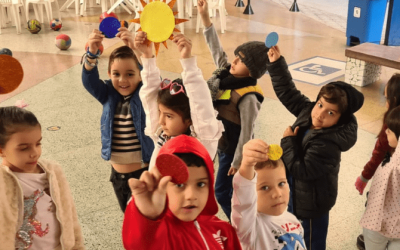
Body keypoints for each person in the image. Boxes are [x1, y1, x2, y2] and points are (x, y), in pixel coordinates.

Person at [266, 45, 364, 250]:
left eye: (330, 113)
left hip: (311, 205)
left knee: (311, 242)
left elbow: (302, 170)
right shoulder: (308, 111)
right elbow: (288, 93)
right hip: (294, 194)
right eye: (320, 105)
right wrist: (276, 64)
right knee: (292, 236)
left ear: (339, 120)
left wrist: (287, 142)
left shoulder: (328, 144)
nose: (319, 114)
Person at [197, 0, 269, 220]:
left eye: (242, 59)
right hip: (221, 141)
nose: (234, 60)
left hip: (233, 150)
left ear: (253, 71)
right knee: (225, 190)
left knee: (222, 190)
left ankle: (239, 227)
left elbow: (247, 133)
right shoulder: (225, 74)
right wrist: (205, 17)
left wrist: (238, 162)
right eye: (236, 55)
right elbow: (216, 49)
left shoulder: (248, 95)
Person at [122, 135, 242, 249]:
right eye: (179, 185)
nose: (191, 195)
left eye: (200, 184)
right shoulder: (160, 234)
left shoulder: (224, 230)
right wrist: (147, 216)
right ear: (162, 186)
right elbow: (138, 244)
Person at [81, 27, 154, 212]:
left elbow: (153, 80)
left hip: (144, 173)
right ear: (109, 74)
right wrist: (91, 53)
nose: (123, 80)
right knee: (130, 219)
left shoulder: (144, 94)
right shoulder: (107, 94)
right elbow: (89, 81)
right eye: (116, 74)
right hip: (119, 177)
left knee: (148, 219)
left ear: (139, 74)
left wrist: (137, 51)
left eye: (130, 74)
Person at [134, 31, 223, 170]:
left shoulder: (200, 144)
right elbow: (150, 98)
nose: (160, 121)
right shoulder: (163, 136)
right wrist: (147, 55)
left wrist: (188, 62)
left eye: (169, 116)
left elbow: (201, 105)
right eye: (160, 112)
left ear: (189, 119)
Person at [0, 106, 85, 249]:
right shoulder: (2, 183)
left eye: (38, 143)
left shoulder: (53, 171)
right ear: (1, 150)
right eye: (24, 148)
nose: (35, 152)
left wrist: (77, 246)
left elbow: (70, 214)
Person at [231, 139, 306, 250]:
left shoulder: (293, 221)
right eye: (265, 188)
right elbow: (243, 204)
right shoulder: (250, 229)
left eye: (281, 184)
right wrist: (247, 165)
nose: (277, 194)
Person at [354, 74, 400, 250]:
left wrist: (364, 177)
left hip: (384, 191)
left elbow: (377, 155)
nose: (385, 102)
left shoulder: (391, 124)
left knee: (376, 209)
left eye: (387, 98)